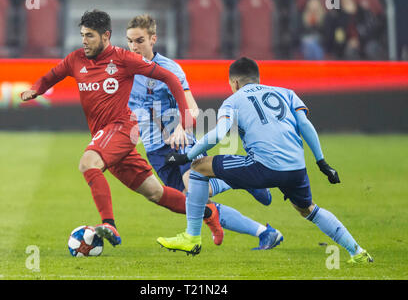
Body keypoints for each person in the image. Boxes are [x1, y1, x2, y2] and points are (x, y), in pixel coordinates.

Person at [20, 9, 217, 248]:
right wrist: (36, 89)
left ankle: (109, 223)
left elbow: (171, 79)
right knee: (155, 193)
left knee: (88, 163)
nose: (84, 41)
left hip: (122, 128)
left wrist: (185, 122)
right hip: (105, 138)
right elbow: (51, 76)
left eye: (90, 36)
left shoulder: (124, 59)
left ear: (106, 36)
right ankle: (208, 212)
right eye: (82, 35)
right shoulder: (75, 60)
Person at [158, 57, 373, 264]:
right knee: (309, 210)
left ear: (234, 82)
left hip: (263, 167)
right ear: (257, 78)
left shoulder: (232, 101)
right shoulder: (286, 93)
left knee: (198, 168)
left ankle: (192, 237)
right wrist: (322, 162)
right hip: (296, 168)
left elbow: (217, 135)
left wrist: (187, 156)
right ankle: (357, 251)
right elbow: (306, 126)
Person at [126, 14, 278, 249]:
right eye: (130, 41)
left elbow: (193, 109)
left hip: (179, 142)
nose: (133, 47)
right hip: (154, 149)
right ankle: (265, 232)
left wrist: (179, 128)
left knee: (196, 190)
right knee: (195, 202)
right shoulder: (125, 69)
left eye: (139, 41)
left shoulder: (169, 69)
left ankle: (244, 178)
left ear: (153, 39)